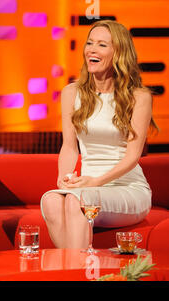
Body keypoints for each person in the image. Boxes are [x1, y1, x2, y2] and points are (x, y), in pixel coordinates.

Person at [40, 20, 158, 249]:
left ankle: (74, 275)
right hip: (87, 188)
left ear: (119, 53)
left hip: (127, 188)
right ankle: (76, 272)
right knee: (52, 200)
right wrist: (64, 178)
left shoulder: (139, 97)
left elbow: (132, 156)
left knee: (79, 201)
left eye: (102, 45)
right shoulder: (71, 93)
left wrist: (96, 182)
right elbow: (69, 147)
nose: (91, 49)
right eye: (90, 43)